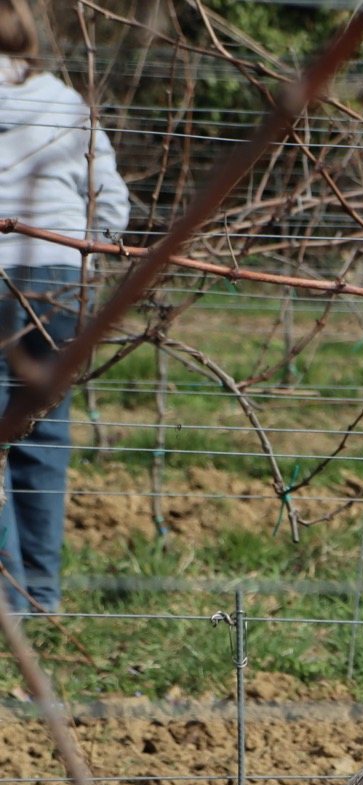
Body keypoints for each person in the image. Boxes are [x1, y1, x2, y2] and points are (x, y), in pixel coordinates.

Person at [0, 0, 130, 614]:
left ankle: (11, 602)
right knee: (44, 436)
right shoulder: (65, 101)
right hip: (57, 273)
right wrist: (87, 260)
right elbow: (109, 201)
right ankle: (42, 598)